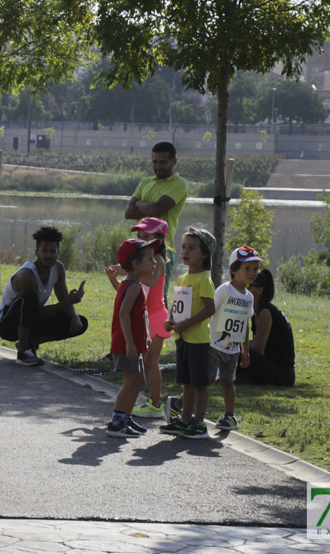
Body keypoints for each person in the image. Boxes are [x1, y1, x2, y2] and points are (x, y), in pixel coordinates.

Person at [0, 226, 87, 366]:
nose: (48, 255)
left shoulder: (58, 268)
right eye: (44, 251)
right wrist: (68, 302)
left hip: (29, 320)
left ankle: (31, 343)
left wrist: (74, 316)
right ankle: (23, 351)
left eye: (52, 251)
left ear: (58, 253)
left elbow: (63, 298)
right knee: (30, 298)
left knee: (81, 322)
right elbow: (36, 313)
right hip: (8, 326)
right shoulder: (27, 274)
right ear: (36, 252)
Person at [160, 227, 216, 440]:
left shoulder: (204, 279)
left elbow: (210, 309)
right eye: (183, 247)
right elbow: (178, 306)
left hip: (198, 340)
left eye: (191, 248)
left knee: (200, 383)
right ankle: (184, 420)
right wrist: (170, 320)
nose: (185, 251)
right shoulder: (183, 278)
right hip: (182, 338)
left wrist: (187, 325)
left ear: (204, 254)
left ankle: (199, 424)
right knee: (187, 382)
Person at [116, 218, 171, 419]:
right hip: (146, 316)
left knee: (151, 362)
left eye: (146, 237)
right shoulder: (143, 260)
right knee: (147, 362)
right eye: (138, 236)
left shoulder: (157, 261)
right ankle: (151, 402)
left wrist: (128, 270)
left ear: (158, 239)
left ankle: (156, 404)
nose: (140, 239)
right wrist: (119, 277)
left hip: (156, 316)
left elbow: (153, 280)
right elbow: (128, 295)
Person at [106, 238, 158, 438]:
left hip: (134, 342)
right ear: (136, 264)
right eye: (150, 259)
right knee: (130, 383)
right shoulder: (134, 286)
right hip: (126, 344)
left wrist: (143, 337)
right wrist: (129, 342)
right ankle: (116, 422)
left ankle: (125, 418)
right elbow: (123, 314)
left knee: (138, 382)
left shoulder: (130, 284)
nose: (154, 263)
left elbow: (124, 295)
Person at [125, 142, 188, 295]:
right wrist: (150, 208)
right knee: (136, 293)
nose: (158, 166)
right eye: (155, 161)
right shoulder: (146, 182)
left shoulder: (179, 184)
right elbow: (128, 213)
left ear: (174, 162)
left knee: (159, 296)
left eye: (163, 162)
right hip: (139, 248)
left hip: (163, 249)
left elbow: (157, 209)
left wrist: (139, 203)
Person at [207, 247, 259, 431]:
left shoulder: (249, 297)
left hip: (233, 349)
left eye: (255, 268)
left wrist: (245, 351)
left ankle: (230, 416)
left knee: (227, 381)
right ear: (233, 270)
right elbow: (209, 311)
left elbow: (244, 324)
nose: (252, 273)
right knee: (208, 378)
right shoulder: (225, 290)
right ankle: (184, 407)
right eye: (247, 268)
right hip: (213, 344)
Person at [236, 269, 296, 387]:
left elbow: (258, 349)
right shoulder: (257, 312)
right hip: (272, 365)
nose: (245, 289)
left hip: (281, 374)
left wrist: (238, 345)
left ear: (259, 290)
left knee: (237, 352)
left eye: (248, 286)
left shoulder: (265, 313)